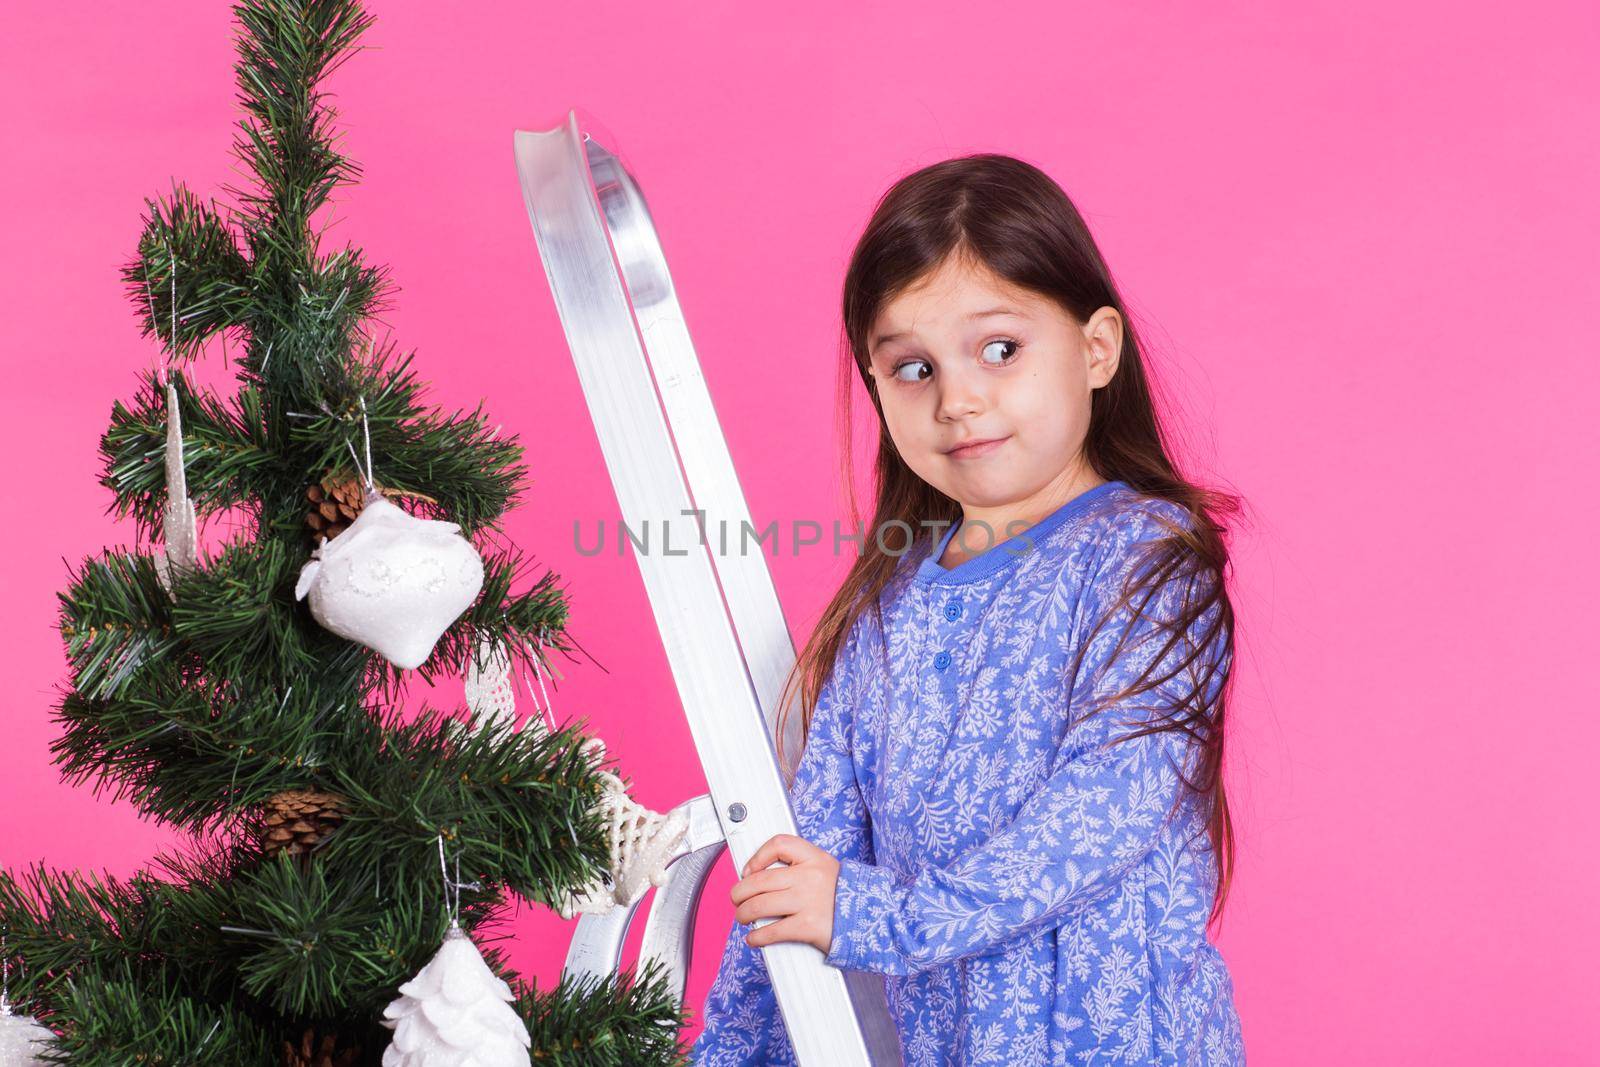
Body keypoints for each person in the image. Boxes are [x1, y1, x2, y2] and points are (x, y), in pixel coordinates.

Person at [691, 153, 1246, 1066]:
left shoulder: (1145, 563)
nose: (958, 400)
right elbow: (798, 867)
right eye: (912, 367)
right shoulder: (887, 600)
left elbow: (1094, 824)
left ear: (1096, 348)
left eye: (1000, 348)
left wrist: (874, 914)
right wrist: (733, 1054)